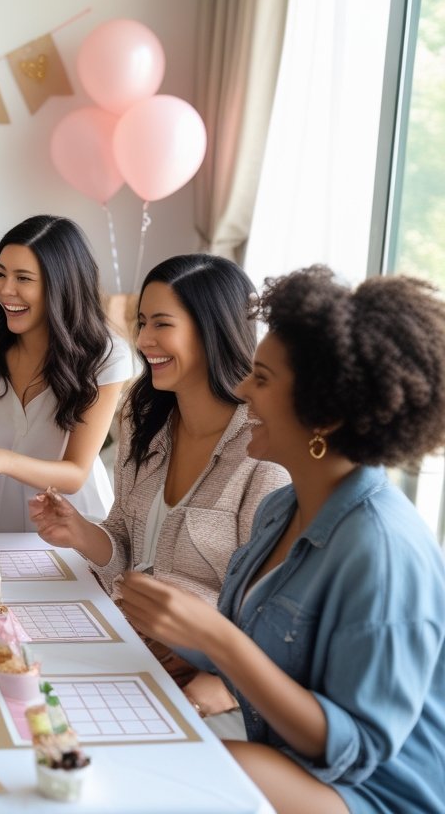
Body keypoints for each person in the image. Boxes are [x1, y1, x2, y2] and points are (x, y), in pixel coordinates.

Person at [119, 266, 445, 814]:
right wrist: (177, 630)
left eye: (263, 379)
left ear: (325, 413)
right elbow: (266, 654)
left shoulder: (382, 551)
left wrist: (219, 643)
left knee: (191, 770)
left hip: (369, 793)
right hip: (289, 761)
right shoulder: (282, 509)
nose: (243, 389)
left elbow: (353, 747)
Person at [30, 255, 288, 737]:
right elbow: (125, 542)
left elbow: (272, 603)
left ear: (212, 330)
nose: (144, 340)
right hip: (124, 643)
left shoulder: (264, 447)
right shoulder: (142, 415)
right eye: (142, 322)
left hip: (209, 682)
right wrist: (82, 534)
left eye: (162, 324)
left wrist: (222, 684)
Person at [0, 215, 132, 529]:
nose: (6, 290)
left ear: (62, 284)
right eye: (0, 274)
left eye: (23, 278)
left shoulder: (107, 357)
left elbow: (76, 474)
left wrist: (1, 460)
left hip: (68, 518)